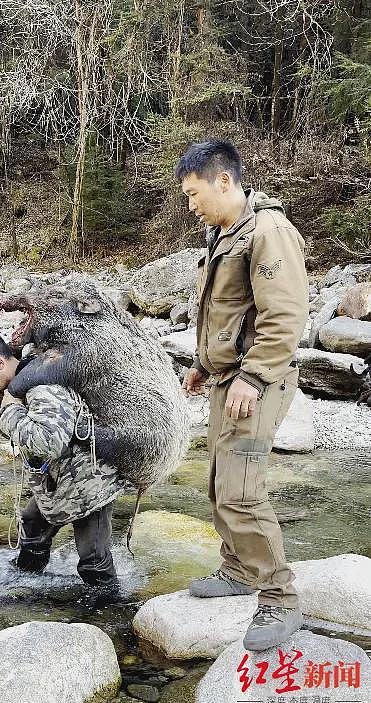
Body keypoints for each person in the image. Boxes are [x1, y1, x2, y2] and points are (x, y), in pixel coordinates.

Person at [176, 138, 309, 651]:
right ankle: (237, 570)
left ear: (223, 181)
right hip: (228, 382)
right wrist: (202, 366)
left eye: (193, 194)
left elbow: (285, 316)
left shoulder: (268, 232)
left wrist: (252, 378)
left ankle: (280, 597)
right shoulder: (225, 233)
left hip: (259, 383)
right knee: (218, 479)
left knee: (242, 490)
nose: (191, 206)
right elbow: (226, 315)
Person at [0, 331, 126, 603]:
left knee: (92, 557)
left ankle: (108, 612)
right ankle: (26, 578)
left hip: (90, 483)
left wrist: (11, 409)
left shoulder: (44, 389)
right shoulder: (18, 386)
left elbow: (48, 442)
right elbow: (14, 433)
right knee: (32, 523)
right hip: (58, 481)